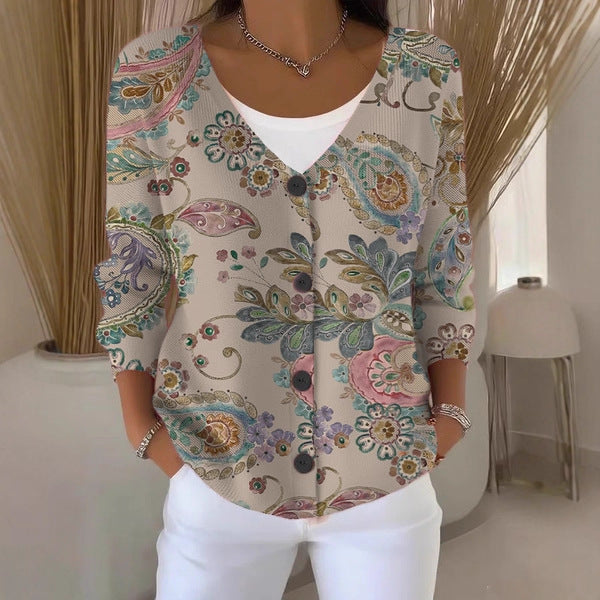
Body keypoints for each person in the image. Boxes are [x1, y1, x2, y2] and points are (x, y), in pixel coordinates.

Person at [93, 0, 477, 598]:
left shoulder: (425, 70)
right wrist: (144, 432)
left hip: (387, 478)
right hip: (218, 477)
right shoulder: (156, 73)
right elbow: (133, 265)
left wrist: (449, 418)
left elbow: (444, 261)